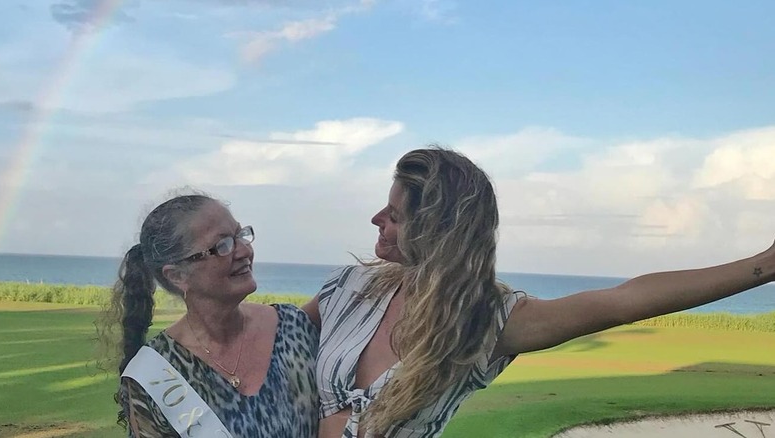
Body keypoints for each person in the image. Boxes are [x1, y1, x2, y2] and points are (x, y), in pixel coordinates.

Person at [302, 147, 775, 438]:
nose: (376, 220)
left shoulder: (484, 322)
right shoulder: (348, 290)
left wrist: (764, 266)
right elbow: (262, 343)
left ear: (435, 231)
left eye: (395, 215)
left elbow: (625, 300)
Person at [97, 193, 319, 437]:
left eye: (240, 235)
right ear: (177, 276)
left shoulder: (293, 327)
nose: (245, 251)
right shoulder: (153, 375)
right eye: (222, 245)